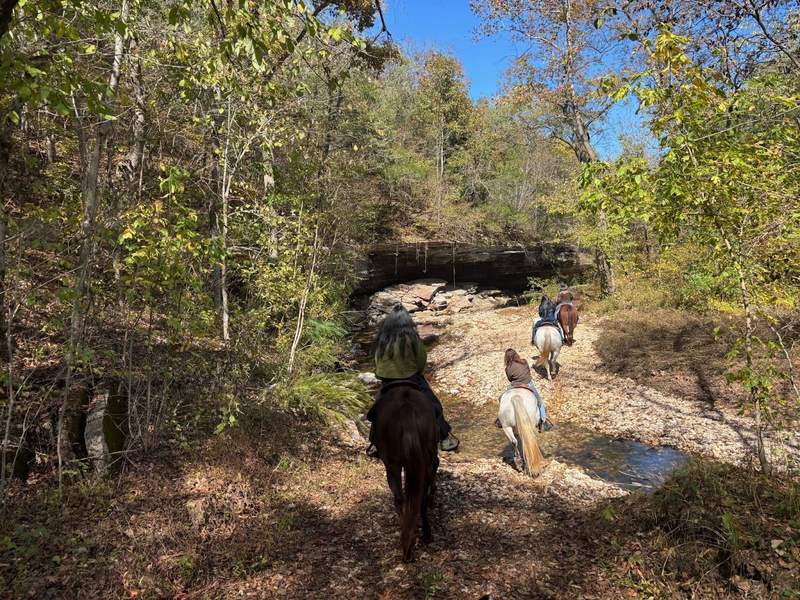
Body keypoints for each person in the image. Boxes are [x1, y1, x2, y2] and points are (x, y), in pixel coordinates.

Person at [365, 304, 459, 457]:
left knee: (377, 409)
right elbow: (421, 359)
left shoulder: (382, 338)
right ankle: (445, 438)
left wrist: (381, 374)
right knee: (434, 405)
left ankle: (375, 442)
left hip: (388, 380)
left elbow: (377, 360)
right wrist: (417, 373)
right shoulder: (412, 337)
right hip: (412, 378)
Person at [503, 348, 553, 431]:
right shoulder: (524, 361)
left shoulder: (507, 368)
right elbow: (528, 372)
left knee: (503, 398)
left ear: (506, 358)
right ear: (516, 354)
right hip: (528, 384)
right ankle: (544, 421)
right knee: (539, 401)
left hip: (514, 385)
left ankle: (501, 418)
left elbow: (510, 379)